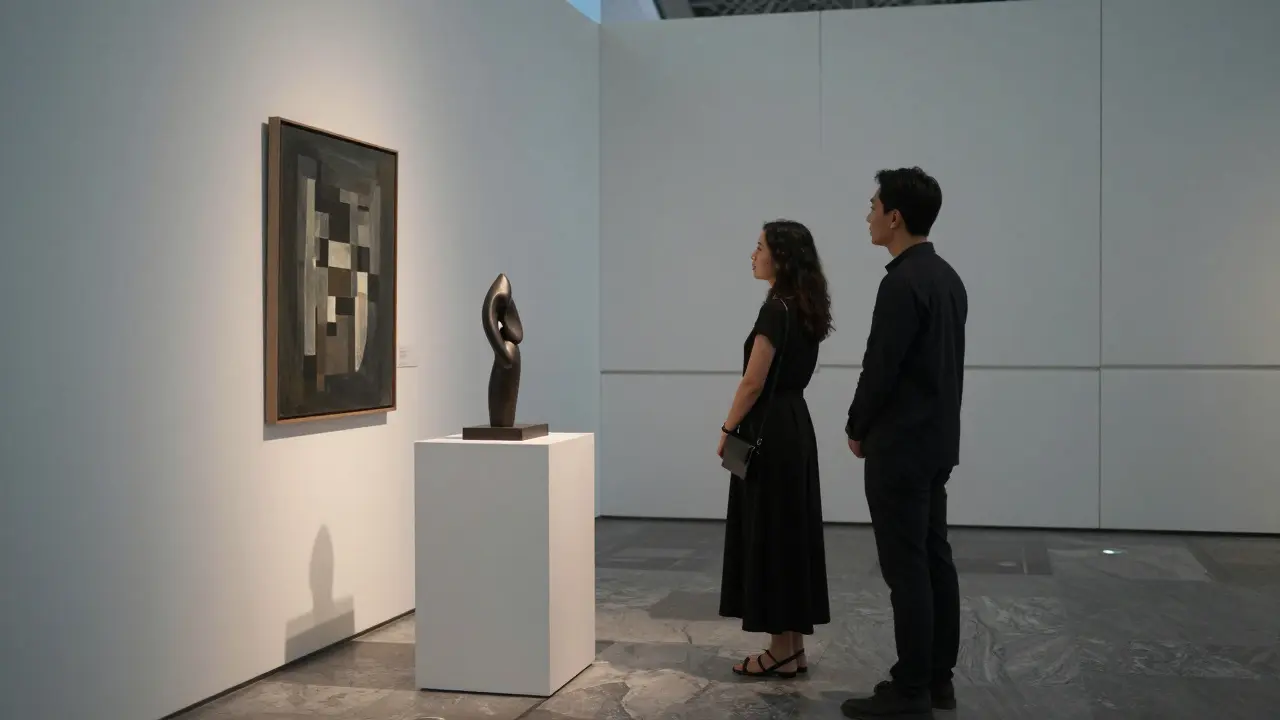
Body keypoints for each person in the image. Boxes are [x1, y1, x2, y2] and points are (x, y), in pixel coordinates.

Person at [841, 168, 967, 719]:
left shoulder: (900, 283)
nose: (867, 215)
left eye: (872, 206)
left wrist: (856, 424)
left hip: (899, 446)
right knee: (934, 556)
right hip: (936, 444)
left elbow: (882, 367)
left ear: (895, 216)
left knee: (906, 568)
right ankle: (938, 680)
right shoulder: (948, 278)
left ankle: (911, 688)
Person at [717, 219, 833, 679]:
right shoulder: (805, 308)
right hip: (795, 426)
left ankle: (779, 650)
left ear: (780, 258)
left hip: (767, 428)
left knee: (770, 534)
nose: (753, 254)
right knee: (791, 533)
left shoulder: (774, 311)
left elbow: (753, 381)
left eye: (759, 246)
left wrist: (727, 427)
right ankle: (792, 646)